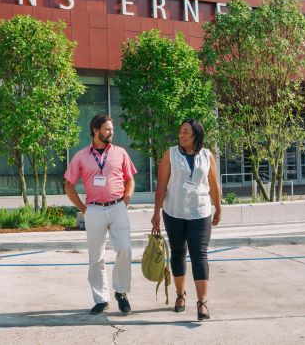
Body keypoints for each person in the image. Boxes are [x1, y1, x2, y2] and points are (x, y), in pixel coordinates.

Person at [64, 114, 137, 315]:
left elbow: (130, 179)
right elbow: (68, 186)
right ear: (95, 131)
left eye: (112, 129)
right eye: (107, 129)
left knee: (124, 249)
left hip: (117, 207)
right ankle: (101, 298)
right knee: (96, 257)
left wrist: (126, 201)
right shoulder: (81, 156)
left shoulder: (120, 153)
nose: (111, 132)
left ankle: (121, 293)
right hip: (93, 209)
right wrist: (83, 209)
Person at [151, 118, 222, 321]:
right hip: (173, 211)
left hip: (200, 212)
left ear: (196, 135)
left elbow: (214, 183)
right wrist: (156, 212)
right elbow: (162, 185)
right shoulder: (170, 154)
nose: (181, 136)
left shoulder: (207, 155)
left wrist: (218, 206)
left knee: (200, 255)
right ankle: (180, 295)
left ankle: (202, 303)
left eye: (186, 133)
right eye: (180, 131)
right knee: (178, 252)